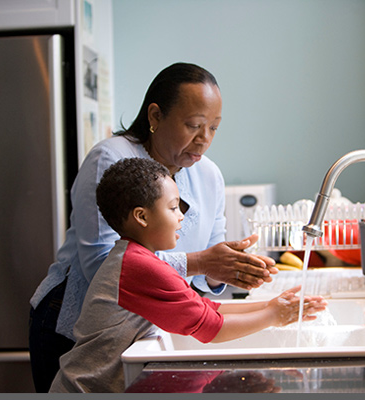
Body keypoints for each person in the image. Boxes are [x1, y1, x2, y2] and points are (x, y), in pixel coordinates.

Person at [29, 62, 278, 392]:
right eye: (193, 125)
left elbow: (206, 275)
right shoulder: (111, 158)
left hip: (140, 332)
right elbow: (103, 267)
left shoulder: (209, 176)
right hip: (71, 325)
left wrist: (230, 268)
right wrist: (201, 261)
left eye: (214, 128)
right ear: (155, 116)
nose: (204, 139)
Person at [49, 158, 327, 392]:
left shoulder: (137, 258)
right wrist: (275, 316)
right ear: (142, 217)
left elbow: (207, 307)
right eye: (173, 208)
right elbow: (213, 329)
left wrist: (272, 305)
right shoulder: (139, 267)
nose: (181, 216)